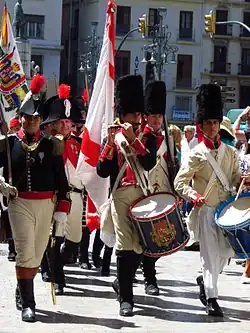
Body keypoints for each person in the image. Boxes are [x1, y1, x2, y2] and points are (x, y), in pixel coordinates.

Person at [0, 75, 71, 322]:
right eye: (28, 118)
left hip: (47, 205)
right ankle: (29, 304)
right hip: (20, 203)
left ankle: (22, 289)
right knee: (24, 251)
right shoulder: (8, 144)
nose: (32, 122)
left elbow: (62, 180)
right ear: (21, 119)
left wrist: (63, 207)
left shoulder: (52, 145)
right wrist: (2, 185)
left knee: (38, 251)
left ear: (41, 121)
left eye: (36, 118)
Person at [174, 83, 248, 317]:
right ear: (201, 125)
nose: (213, 127)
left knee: (225, 255)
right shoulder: (195, 154)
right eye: (208, 123)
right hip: (205, 210)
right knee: (209, 255)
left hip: (225, 211)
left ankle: (204, 281)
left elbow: (235, 179)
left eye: (215, 122)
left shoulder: (231, 153)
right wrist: (193, 195)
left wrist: (244, 182)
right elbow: (179, 183)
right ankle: (212, 298)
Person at [97, 75, 150, 316]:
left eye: (138, 115)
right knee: (124, 244)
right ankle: (126, 299)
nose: (136, 119)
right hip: (120, 195)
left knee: (141, 246)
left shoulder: (145, 135)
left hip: (143, 192)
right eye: (133, 115)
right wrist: (109, 144)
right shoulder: (113, 135)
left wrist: (134, 140)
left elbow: (149, 162)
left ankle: (122, 282)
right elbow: (102, 170)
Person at [41, 85, 85, 295]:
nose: (67, 125)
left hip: (76, 196)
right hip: (55, 197)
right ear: (54, 124)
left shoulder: (79, 143)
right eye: (62, 122)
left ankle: (60, 260)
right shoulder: (47, 145)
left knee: (74, 240)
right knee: (55, 237)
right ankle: (57, 277)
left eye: (69, 122)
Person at [138, 80, 175, 296]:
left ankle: (144, 272)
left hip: (163, 191)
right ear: (146, 117)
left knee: (161, 238)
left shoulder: (168, 137)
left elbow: (172, 165)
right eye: (153, 116)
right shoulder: (141, 138)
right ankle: (149, 278)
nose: (157, 120)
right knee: (145, 239)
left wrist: (174, 191)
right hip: (144, 191)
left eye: (159, 116)